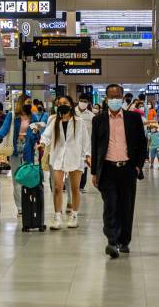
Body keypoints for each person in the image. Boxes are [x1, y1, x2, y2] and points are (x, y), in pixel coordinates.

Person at [91, 84, 147, 259]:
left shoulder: (133, 118)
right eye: (111, 97)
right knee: (110, 206)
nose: (114, 100)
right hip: (107, 169)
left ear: (122, 98)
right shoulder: (98, 119)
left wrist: (137, 166)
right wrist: (94, 172)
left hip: (127, 169)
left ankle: (124, 241)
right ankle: (112, 241)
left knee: (126, 206)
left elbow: (142, 145)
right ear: (106, 99)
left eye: (117, 96)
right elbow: (95, 147)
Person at [40, 96, 91, 230]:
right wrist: (42, 143)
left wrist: (87, 155)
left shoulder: (79, 122)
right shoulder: (54, 120)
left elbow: (85, 140)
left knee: (74, 189)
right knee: (57, 187)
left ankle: (74, 216)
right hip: (58, 157)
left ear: (71, 105)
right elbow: (46, 135)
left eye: (65, 103)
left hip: (76, 157)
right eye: (60, 103)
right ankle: (57, 217)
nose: (62, 105)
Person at [0, 96, 39, 215]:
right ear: (21, 103)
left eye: (31, 102)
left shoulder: (33, 117)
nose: (30, 105)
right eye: (28, 102)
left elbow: (37, 136)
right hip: (15, 149)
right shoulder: (12, 116)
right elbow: (5, 127)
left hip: (28, 149)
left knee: (28, 178)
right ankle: (20, 207)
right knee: (17, 179)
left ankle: (29, 203)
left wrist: (37, 133)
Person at [75, 93, 94, 193]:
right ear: (78, 100)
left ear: (88, 103)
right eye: (82, 100)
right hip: (73, 144)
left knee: (84, 165)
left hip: (86, 144)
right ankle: (72, 184)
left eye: (85, 101)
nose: (83, 103)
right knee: (73, 164)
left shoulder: (91, 116)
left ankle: (81, 186)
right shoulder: (73, 112)